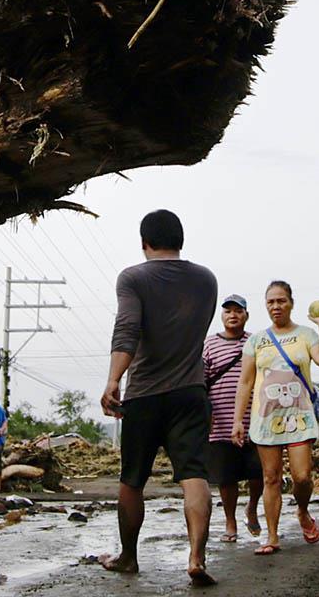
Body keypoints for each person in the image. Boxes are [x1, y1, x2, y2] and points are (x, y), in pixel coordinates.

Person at [99, 209, 218, 587]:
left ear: (144, 242)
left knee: (132, 479)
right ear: (180, 240)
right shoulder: (206, 279)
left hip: (145, 394)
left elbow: (128, 329)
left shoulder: (133, 278)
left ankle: (128, 558)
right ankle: (196, 556)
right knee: (194, 474)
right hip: (191, 392)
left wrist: (113, 379)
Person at [232, 280, 319, 556]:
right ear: (265, 306)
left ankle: (302, 510)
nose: (276, 306)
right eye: (271, 302)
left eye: (281, 301)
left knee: (302, 476)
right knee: (271, 478)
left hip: (300, 418)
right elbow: (245, 382)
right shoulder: (256, 341)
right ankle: (272, 536)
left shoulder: (306, 334)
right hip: (265, 420)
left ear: (291, 303)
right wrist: (238, 420)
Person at [203, 294, 263, 543]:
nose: (233, 315)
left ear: (246, 315)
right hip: (219, 422)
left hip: (255, 420)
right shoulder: (209, 344)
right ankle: (230, 521)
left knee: (259, 472)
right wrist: (204, 415)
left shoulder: (256, 342)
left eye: (238, 311)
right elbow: (201, 380)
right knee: (226, 477)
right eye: (228, 311)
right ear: (222, 315)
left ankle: (252, 507)